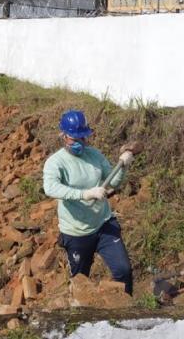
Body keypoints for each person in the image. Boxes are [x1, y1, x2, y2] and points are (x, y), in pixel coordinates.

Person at [42, 110, 142, 295]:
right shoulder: (56, 162)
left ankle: (127, 312)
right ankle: (81, 321)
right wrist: (86, 194)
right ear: (63, 136)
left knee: (123, 270)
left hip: (103, 224)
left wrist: (123, 165)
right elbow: (51, 188)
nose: (79, 142)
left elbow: (113, 182)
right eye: (74, 138)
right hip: (77, 233)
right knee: (81, 282)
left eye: (83, 138)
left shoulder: (94, 155)